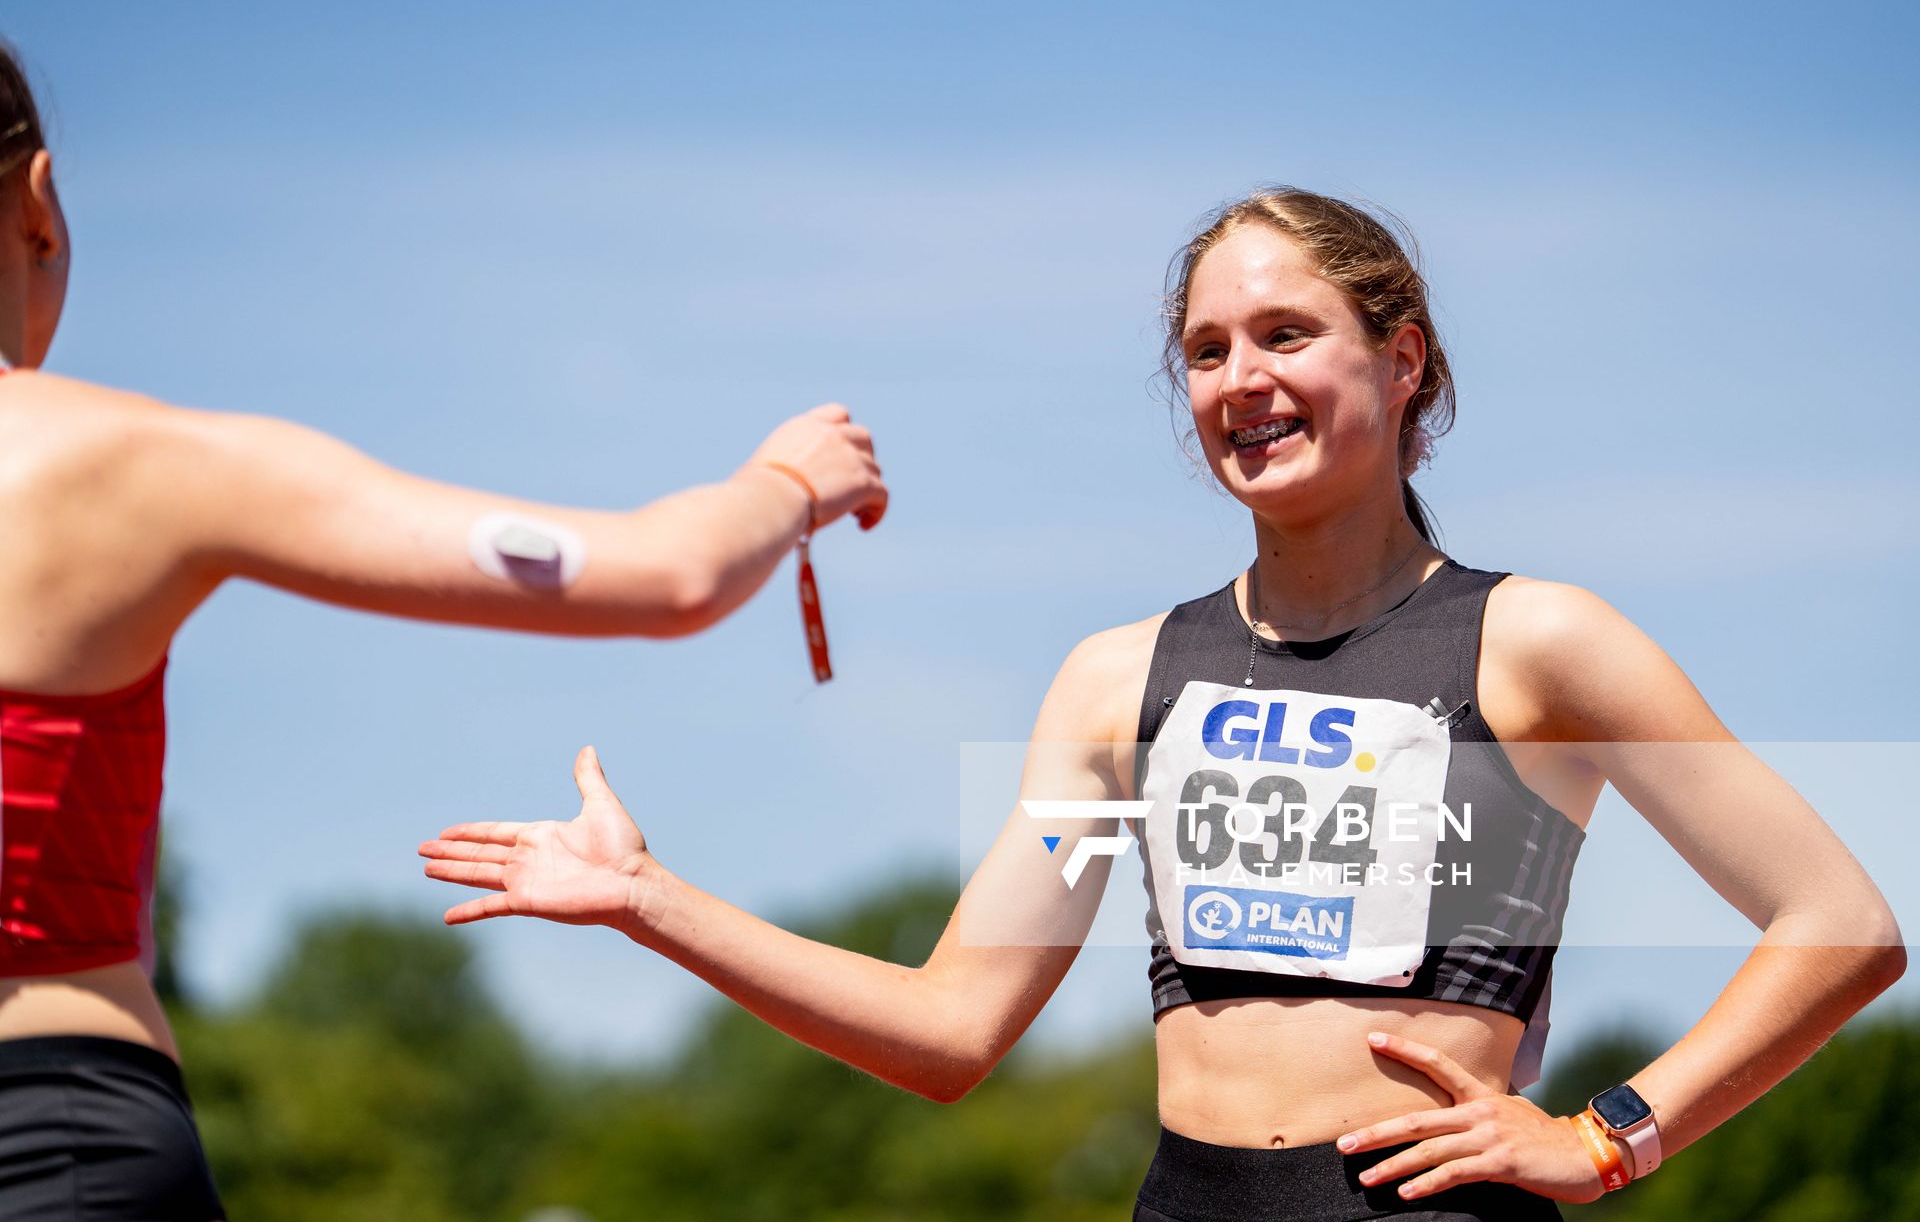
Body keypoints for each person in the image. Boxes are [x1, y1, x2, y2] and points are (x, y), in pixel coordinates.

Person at [420, 187, 1905, 1220]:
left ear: (1403, 362)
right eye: (1205, 352)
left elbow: (1841, 923)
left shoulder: (1542, 643)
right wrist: (644, 900)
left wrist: (1606, 1138)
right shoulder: (1119, 684)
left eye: (1283, 335)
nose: (1240, 380)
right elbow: (950, 1030)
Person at [0, 42, 888, 1221]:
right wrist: (791, 475)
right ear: (39, 205)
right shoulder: (128, 465)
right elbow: (669, 574)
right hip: (56, 1133)